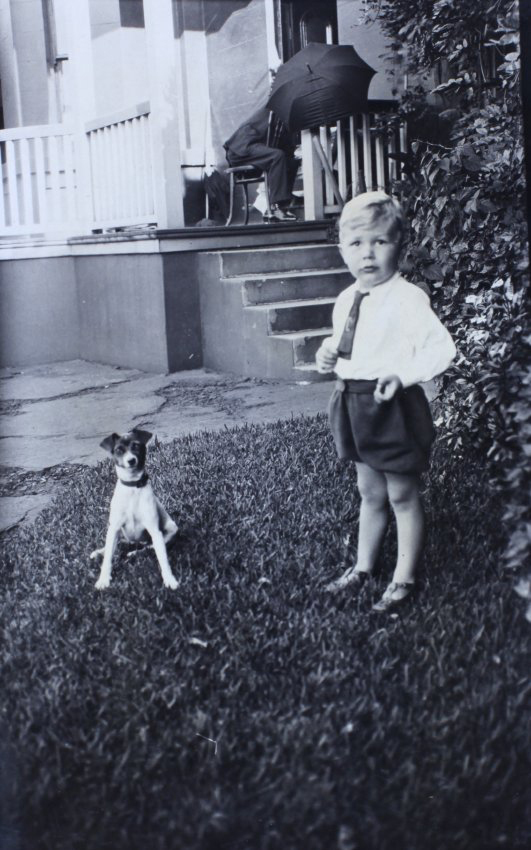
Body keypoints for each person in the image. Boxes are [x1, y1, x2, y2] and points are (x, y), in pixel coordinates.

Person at [316, 191, 456, 612]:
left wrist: (404, 376)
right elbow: (346, 343)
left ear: (399, 245)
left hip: (392, 405)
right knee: (369, 490)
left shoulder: (407, 298)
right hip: (354, 404)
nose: (368, 253)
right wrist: (328, 354)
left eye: (379, 241)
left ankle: (404, 576)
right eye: (356, 243)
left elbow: (442, 348)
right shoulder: (347, 298)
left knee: (401, 493)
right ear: (342, 250)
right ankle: (363, 566)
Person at [223, 106, 298, 222]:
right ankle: (275, 207)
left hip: (252, 148)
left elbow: (287, 148)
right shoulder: (277, 109)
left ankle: (280, 207)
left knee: (291, 161)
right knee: (277, 156)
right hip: (240, 149)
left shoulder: (285, 115)